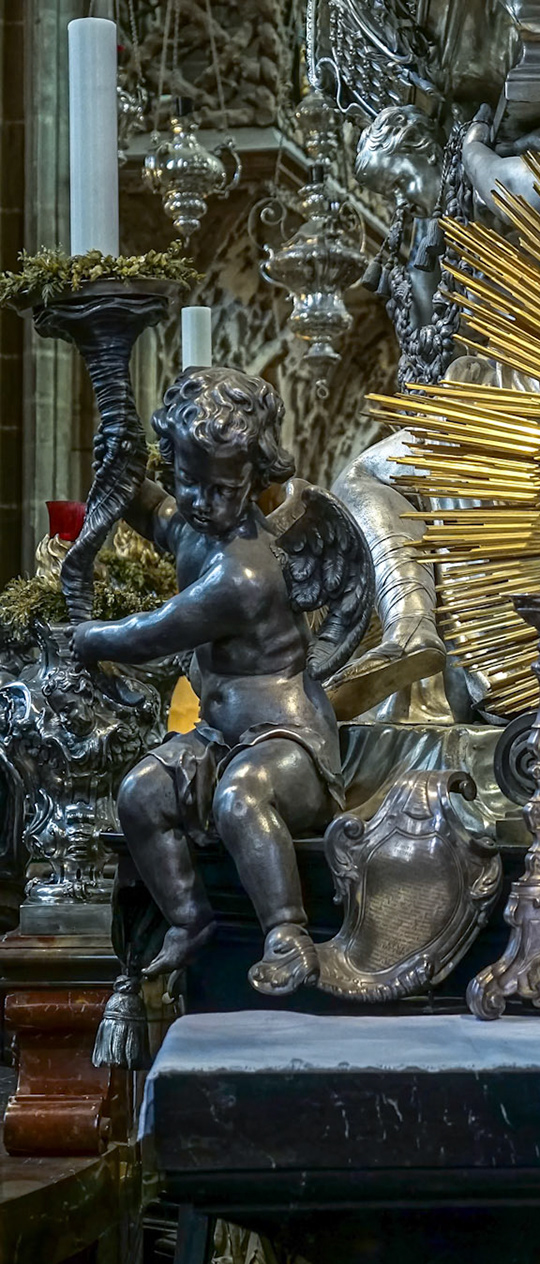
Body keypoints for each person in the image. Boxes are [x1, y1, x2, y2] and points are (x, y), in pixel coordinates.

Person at [71, 369, 344, 996]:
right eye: (187, 481)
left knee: (239, 799)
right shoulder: (196, 528)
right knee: (140, 794)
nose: (200, 501)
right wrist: (115, 462)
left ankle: (287, 933)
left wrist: (87, 637)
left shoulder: (243, 573)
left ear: (255, 477)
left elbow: (154, 631)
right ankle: (190, 919)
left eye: (221, 489)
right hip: (218, 737)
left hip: (287, 744)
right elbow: (150, 509)